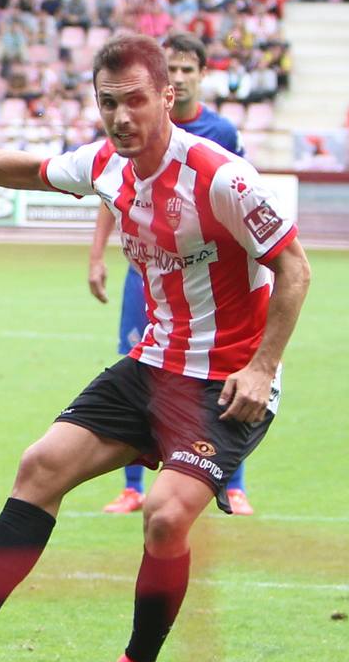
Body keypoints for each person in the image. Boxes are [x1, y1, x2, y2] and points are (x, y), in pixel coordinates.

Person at [0, 34, 311, 662]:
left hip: (225, 378)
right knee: (41, 463)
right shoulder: (108, 163)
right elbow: (31, 168)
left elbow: (295, 270)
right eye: (108, 103)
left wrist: (261, 367)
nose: (120, 116)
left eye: (135, 99)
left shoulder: (220, 176)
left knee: (166, 514)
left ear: (167, 96)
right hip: (152, 366)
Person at [89, 32, 257, 516]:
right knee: (135, 363)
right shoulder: (130, 124)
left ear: (201, 75)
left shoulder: (220, 134)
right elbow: (109, 187)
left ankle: (230, 481)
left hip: (203, 276)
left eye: (188, 69)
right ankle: (132, 485)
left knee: (222, 369)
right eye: (173, 69)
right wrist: (97, 254)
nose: (180, 78)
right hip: (147, 271)